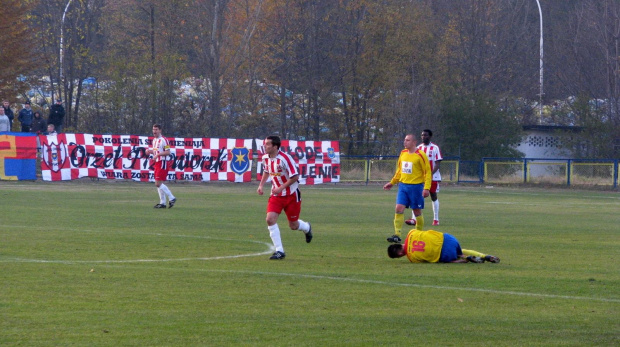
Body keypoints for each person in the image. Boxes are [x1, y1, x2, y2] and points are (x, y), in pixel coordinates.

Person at [257, 135, 313, 260]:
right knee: (270, 219)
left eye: (267, 144)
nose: (265, 146)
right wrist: (261, 185)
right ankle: (279, 251)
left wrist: (281, 187)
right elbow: (267, 171)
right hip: (276, 195)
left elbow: (295, 176)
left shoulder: (285, 159)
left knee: (293, 225)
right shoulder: (265, 158)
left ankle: (307, 228)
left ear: (275, 146)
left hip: (291, 195)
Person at [383, 134, 431, 243]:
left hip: (416, 187)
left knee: (417, 211)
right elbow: (400, 170)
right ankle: (397, 234)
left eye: (408, 140)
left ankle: (418, 235)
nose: (405, 142)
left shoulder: (421, 155)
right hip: (403, 186)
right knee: (398, 209)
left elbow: (427, 172)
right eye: (404, 140)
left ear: (414, 142)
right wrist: (392, 182)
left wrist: (426, 188)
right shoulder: (403, 153)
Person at [387, 229, 500, 264]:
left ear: (400, 255)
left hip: (445, 254)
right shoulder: (411, 232)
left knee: (440, 259)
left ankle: (464, 259)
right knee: (461, 250)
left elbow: (426, 261)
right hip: (449, 239)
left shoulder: (411, 258)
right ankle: (485, 256)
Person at [406, 129, 443, 226]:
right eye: (422, 135)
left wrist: (430, 174)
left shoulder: (435, 148)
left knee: (433, 196)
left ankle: (436, 219)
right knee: (416, 196)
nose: (423, 137)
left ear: (430, 136)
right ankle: (414, 219)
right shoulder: (418, 148)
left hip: (433, 177)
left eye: (425, 135)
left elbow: (437, 164)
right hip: (420, 178)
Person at [145, 124, 176, 209]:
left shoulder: (164, 140)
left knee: (157, 183)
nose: (154, 131)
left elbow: (168, 152)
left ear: (160, 130)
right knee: (159, 184)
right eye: (153, 129)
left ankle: (172, 197)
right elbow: (156, 151)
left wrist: (158, 155)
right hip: (157, 163)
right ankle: (162, 203)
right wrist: (150, 151)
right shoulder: (154, 140)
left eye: (156, 129)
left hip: (162, 163)